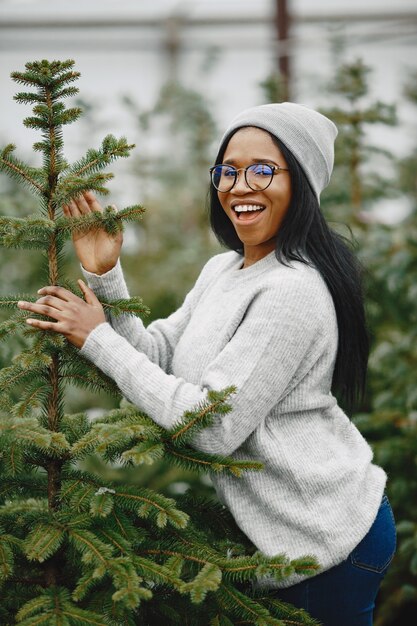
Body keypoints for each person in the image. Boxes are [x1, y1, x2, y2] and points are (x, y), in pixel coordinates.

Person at [17, 102, 396, 625]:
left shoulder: (293, 291)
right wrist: (104, 275)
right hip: (280, 540)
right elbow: (157, 358)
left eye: (263, 169)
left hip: (324, 539)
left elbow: (212, 426)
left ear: (302, 183)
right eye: (228, 170)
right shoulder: (224, 269)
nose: (240, 186)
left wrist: (96, 336)